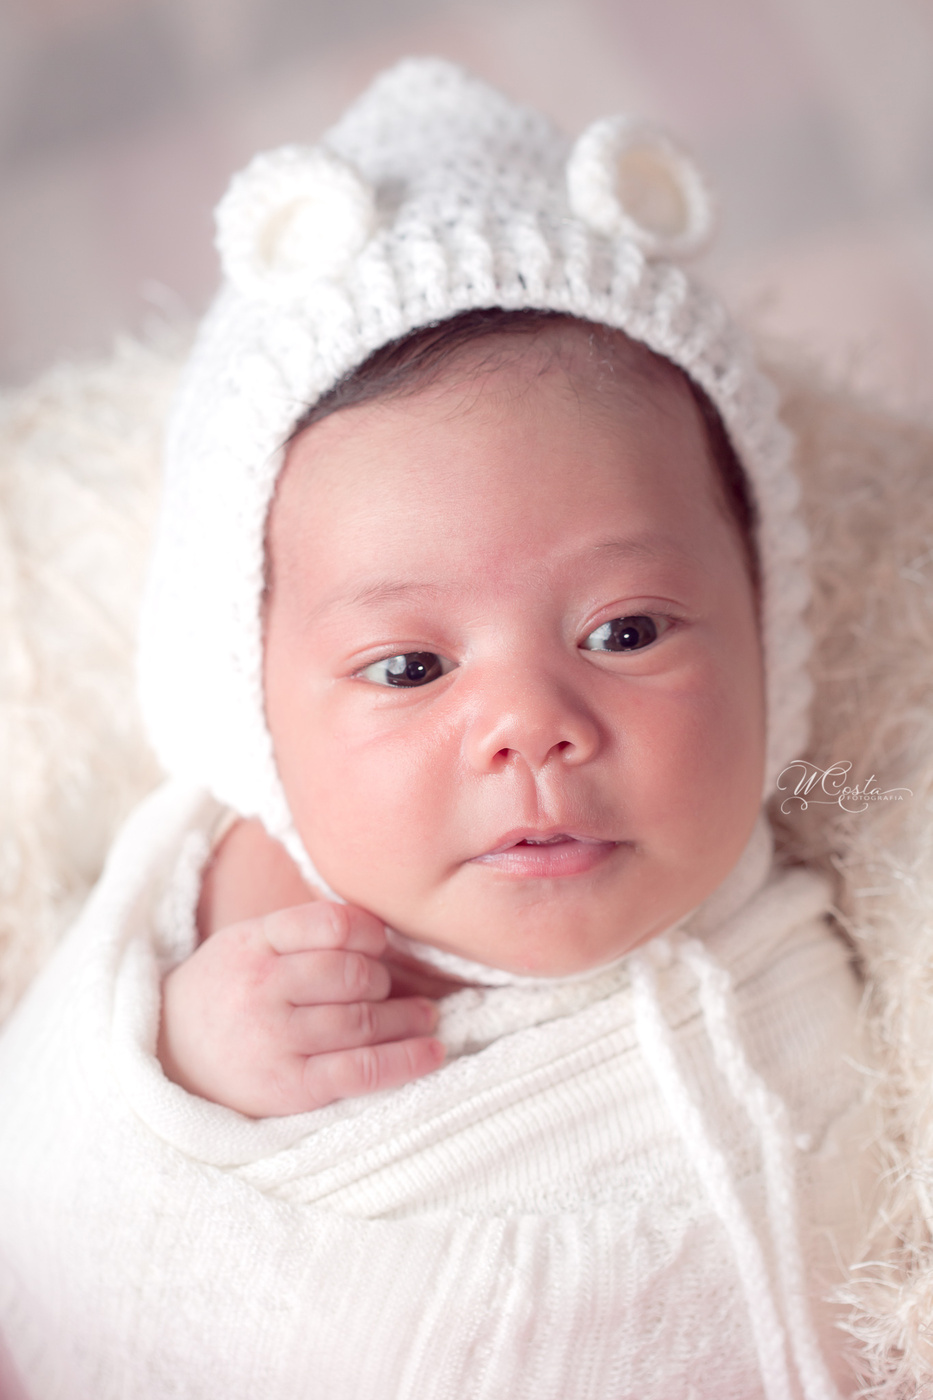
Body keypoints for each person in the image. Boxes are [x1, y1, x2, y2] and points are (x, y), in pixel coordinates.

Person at [0, 57, 878, 1400]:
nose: (530, 728)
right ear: (250, 699)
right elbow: (73, 1202)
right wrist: (180, 1067)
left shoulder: (830, 885)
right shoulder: (239, 905)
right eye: (410, 666)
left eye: (626, 631)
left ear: (768, 620)